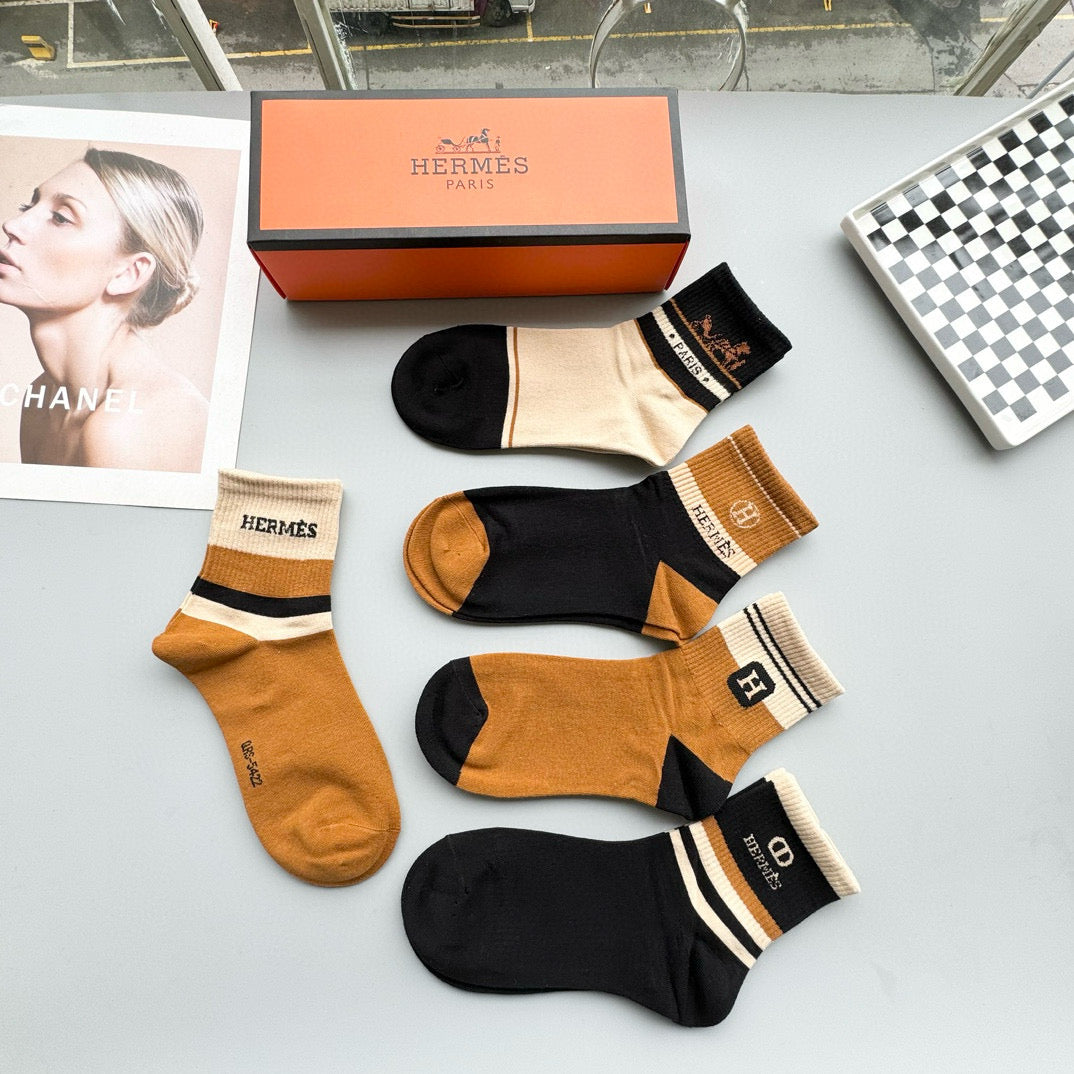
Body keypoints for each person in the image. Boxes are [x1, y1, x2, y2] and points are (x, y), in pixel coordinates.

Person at [0, 147, 208, 471]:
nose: (12, 225)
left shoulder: (130, 427)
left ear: (128, 273)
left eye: (60, 217)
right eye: (29, 206)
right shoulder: (41, 401)